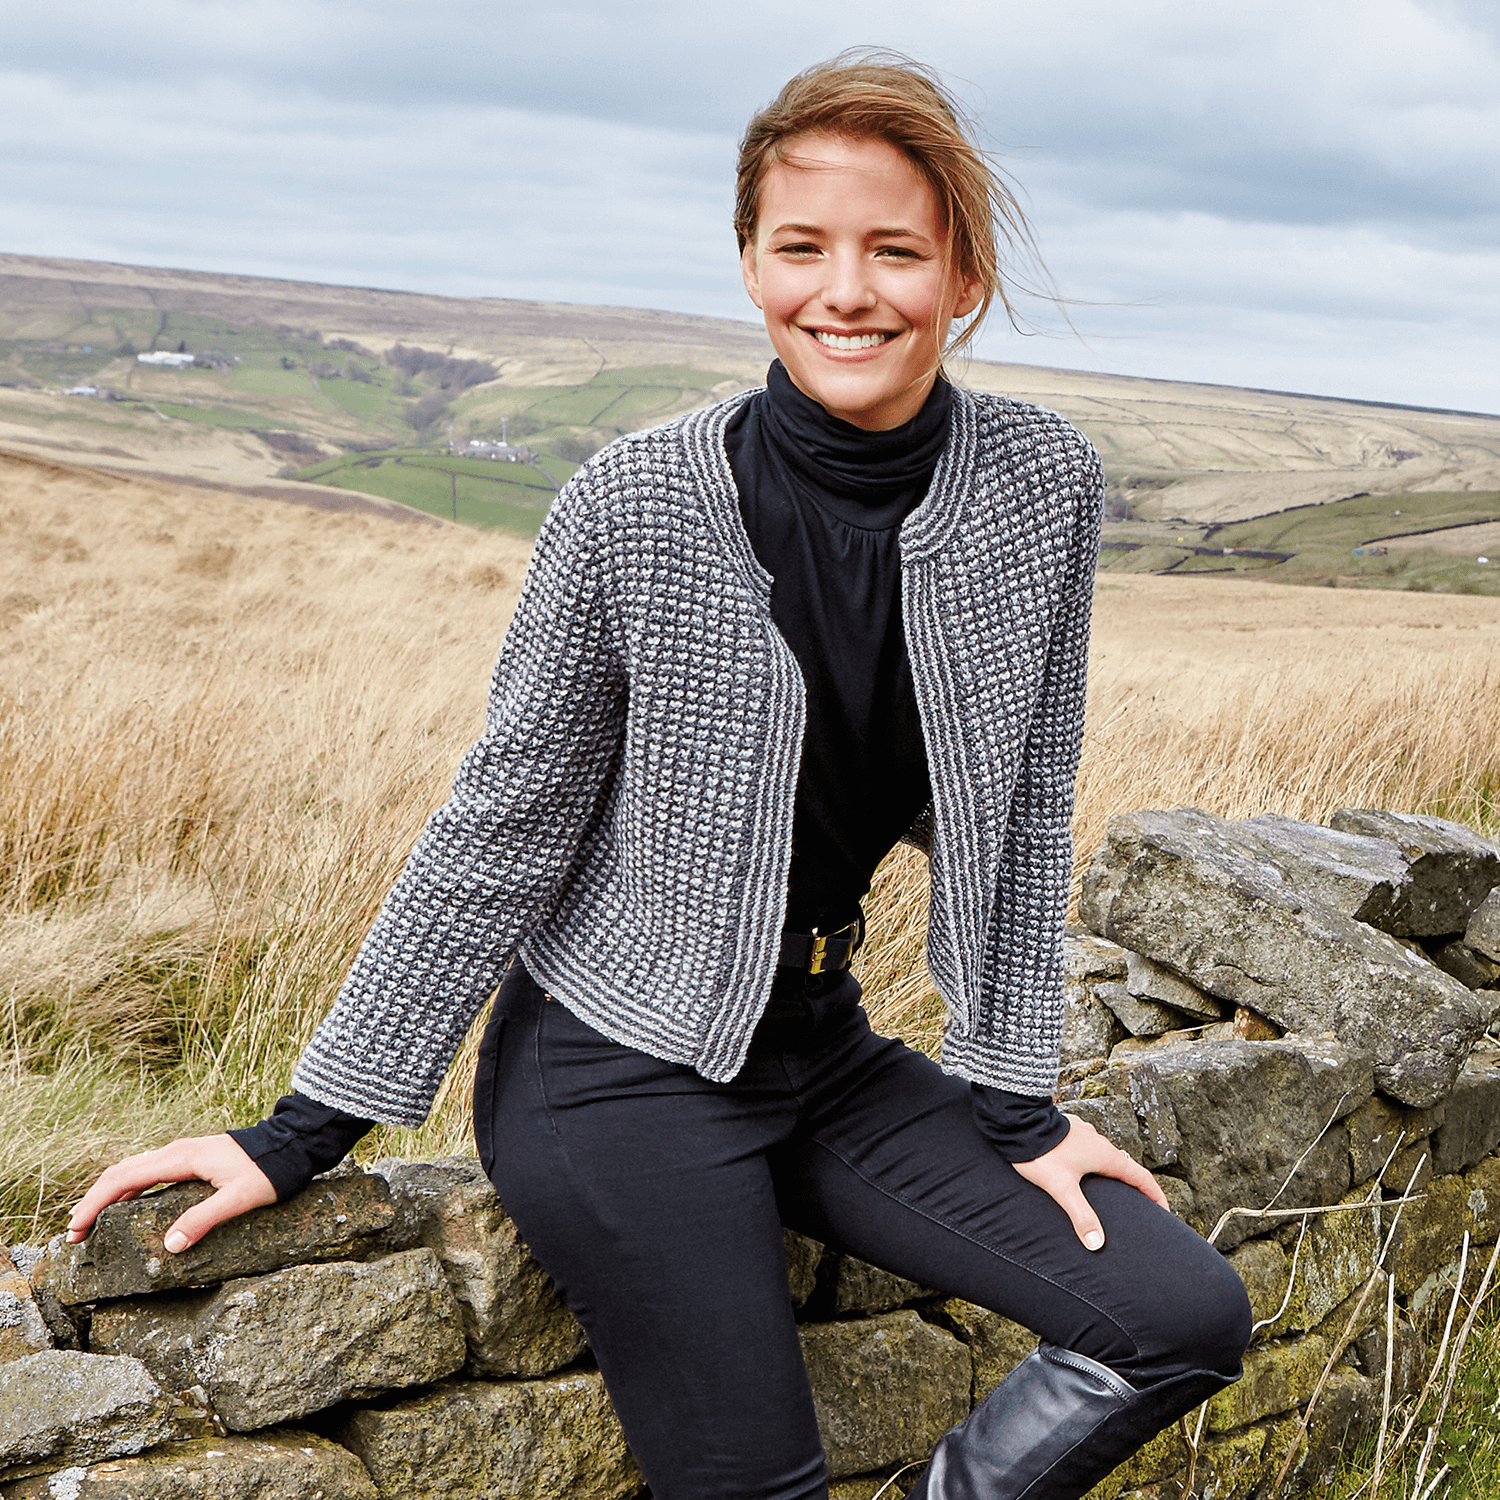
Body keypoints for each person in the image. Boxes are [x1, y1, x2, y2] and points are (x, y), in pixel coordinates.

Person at [68, 51, 1250, 1500]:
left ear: (965, 278)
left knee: (1179, 1317)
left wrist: (1017, 1106)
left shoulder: (1039, 485)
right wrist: (303, 1130)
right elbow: (501, 824)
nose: (846, 292)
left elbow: (1021, 814)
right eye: (801, 247)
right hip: (613, 1072)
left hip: (824, 1050)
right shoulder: (636, 502)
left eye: (895, 251)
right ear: (750, 264)